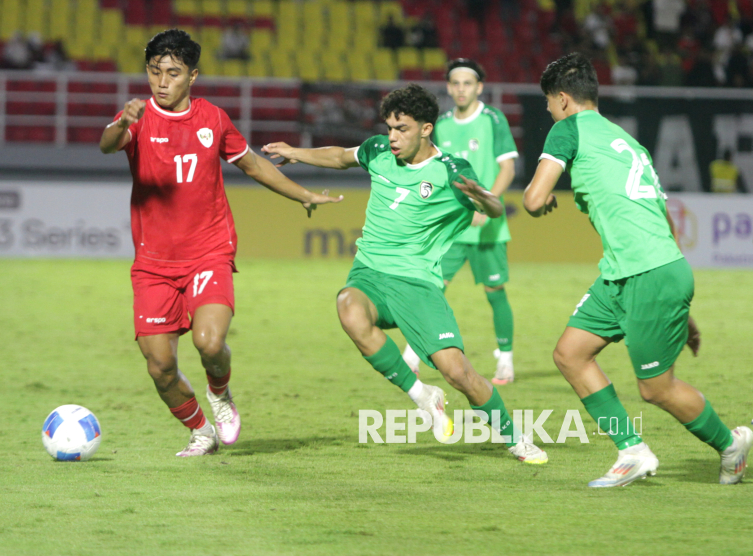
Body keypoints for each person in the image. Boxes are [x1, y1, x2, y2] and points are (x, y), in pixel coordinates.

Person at [262, 84, 547, 464]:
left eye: (403, 129)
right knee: (348, 307)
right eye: (390, 127)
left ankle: (515, 439)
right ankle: (420, 396)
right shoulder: (379, 150)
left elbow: (493, 209)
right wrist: (295, 152)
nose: (393, 137)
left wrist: (487, 199)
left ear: (427, 129)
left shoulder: (450, 171)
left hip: (417, 284)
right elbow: (340, 157)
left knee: (457, 373)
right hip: (370, 273)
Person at [99, 29, 341, 457]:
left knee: (210, 343)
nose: (161, 81)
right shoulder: (137, 119)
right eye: (155, 72)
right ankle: (200, 431)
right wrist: (122, 121)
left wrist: (303, 194)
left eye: (172, 73)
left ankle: (220, 392)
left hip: (209, 250)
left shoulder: (212, 118)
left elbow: (254, 166)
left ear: (193, 76)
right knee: (160, 366)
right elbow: (106, 145)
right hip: (153, 263)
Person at [524, 52, 752, 487]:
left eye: (550, 103)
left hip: (645, 273)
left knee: (656, 389)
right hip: (632, 271)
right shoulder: (628, 142)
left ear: (564, 100)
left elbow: (533, 199)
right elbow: (663, 219)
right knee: (570, 353)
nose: (550, 112)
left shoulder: (566, 129)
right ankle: (632, 451)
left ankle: (731, 444)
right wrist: (679, 306)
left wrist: (543, 200)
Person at [403, 59, 518, 385]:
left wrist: (485, 203)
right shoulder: (439, 124)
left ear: (479, 87)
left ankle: (505, 361)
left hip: (487, 226)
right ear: (449, 87)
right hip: (450, 227)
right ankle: (413, 352)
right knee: (431, 287)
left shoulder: (493, 119)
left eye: (468, 83)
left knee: (495, 291)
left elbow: (507, 169)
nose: (461, 88)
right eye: (456, 83)